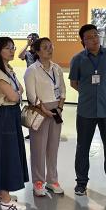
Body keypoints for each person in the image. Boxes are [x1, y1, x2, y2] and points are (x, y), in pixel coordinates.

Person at [69, 24, 106, 198]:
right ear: (83, 41)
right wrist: (88, 94)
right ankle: (81, 183)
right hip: (86, 111)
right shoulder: (78, 59)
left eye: (96, 35)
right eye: (89, 37)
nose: (94, 39)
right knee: (83, 147)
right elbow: (74, 83)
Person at [0, 37, 29, 210]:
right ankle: (6, 200)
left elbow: (20, 90)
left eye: (13, 47)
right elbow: (14, 96)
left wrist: (16, 93)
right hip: (6, 115)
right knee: (6, 155)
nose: (12, 51)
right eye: (7, 48)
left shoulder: (8, 69)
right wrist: (16, 93)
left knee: (4, 152)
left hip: (11, 114)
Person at [24, 37, 66, 196]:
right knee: (38, 148)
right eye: (45, 47)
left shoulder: (57, 68)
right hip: (39, 110)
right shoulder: (32, 70)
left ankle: (52, 180)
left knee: (53, 147)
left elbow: (62, 90)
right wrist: (45, 110)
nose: (50, 50)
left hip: (56, 110)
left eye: (51, 46)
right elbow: (31, 96)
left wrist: (60, 107)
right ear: (37, 51)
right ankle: (38, 182)